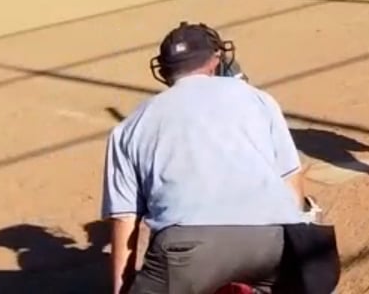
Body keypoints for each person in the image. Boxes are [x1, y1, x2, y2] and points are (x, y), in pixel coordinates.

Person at [103, 22, 321, 294]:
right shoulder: (257, 98)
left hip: (186, 253)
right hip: (274, 242)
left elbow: (125, 219)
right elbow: (291, 180)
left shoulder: (129, 127)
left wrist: (122, 291)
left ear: (164, 70)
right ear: (217, 59)